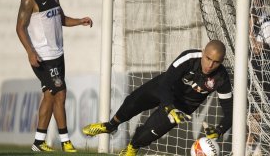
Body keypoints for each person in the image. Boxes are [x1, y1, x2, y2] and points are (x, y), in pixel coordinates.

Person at [83, 40, 233, 156]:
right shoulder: (189, 58)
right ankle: (110, 126)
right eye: (208, 58)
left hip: (184, 105)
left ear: (221, 61)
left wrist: (220, 130)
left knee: (147, 134)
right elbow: (166, 83)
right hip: (165, 88)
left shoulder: (222, 78)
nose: (210, 65)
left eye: (216, 62)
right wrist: (169, 106)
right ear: (203, 52)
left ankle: (132, 148)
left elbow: (230, 111)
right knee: (132, 103)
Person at [16, 0, 92, 152]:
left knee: (50, 95)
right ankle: (66, 141)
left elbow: (61, 19)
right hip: (42, 57)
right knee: (60, 93)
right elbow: (20, 28)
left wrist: (80, 20)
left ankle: (38, 142)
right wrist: (30, 52)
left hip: (58, 55)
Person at [247, 0, 270, 155]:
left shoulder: (268, 24)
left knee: (261, 113)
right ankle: (249, 148)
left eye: (255, 2)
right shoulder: (253, 21)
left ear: (260, 3)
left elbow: (257, 49)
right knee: (252, 113)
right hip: (254, 73)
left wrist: (249, 29)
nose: (253, 6)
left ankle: (258, 148)